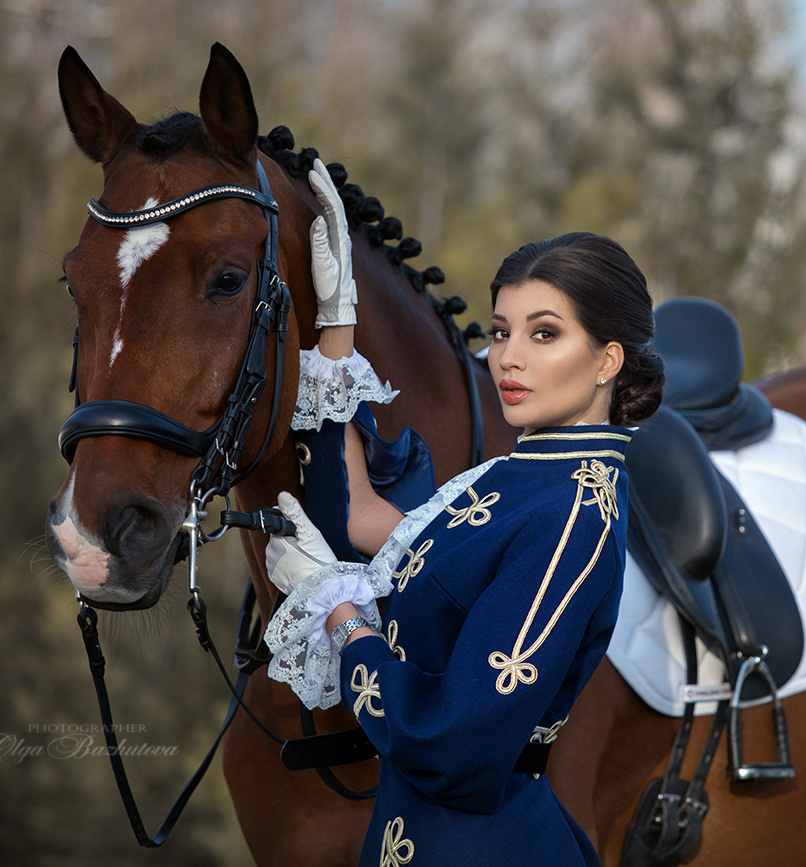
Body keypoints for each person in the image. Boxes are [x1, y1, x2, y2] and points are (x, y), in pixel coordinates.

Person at [262, 160, 664, 866]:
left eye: (544, 334)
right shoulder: (521, 475)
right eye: (502, 330)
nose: (508, 357)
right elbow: (360, 521)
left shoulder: (575, 508)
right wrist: (336, 320)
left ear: (607, 361)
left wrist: (343, 618)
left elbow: (457, 742)